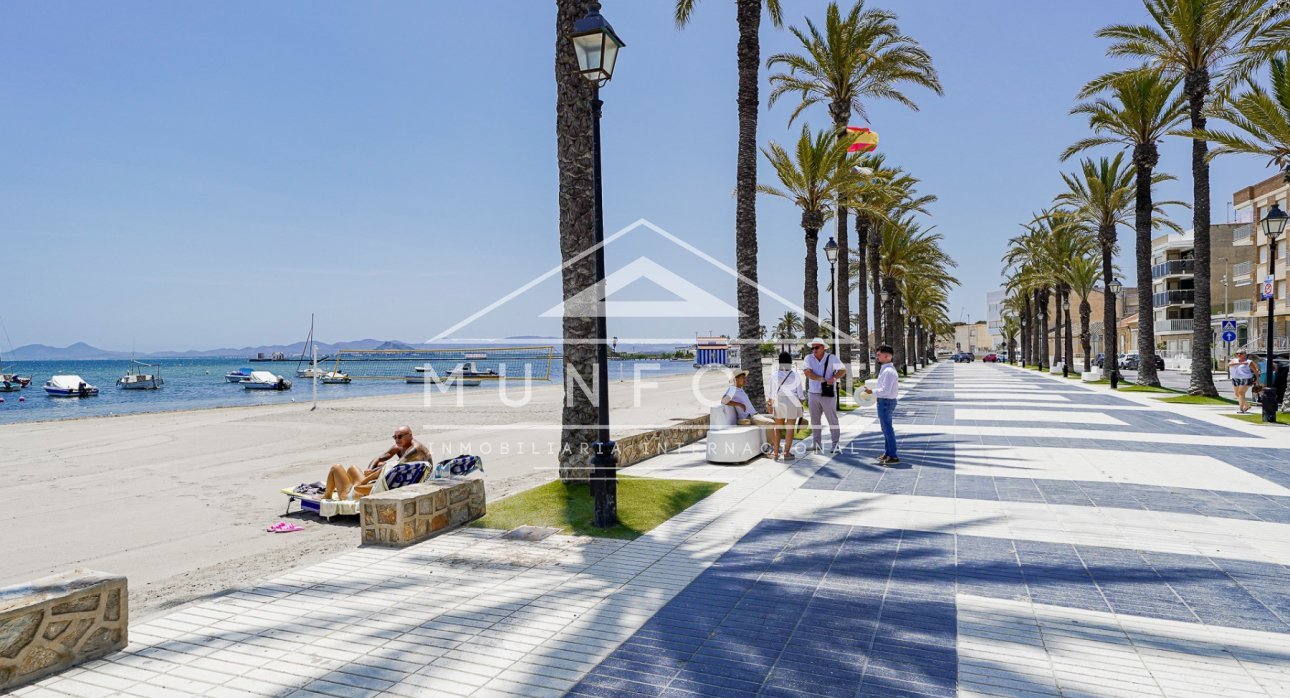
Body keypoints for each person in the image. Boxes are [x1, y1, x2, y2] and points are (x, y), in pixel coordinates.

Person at [323, 425, 433, 500]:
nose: (397, 439)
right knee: (352, 468)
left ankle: (327, 496)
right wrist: (370, 469)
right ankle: (345, 484)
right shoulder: (401, 453)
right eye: (395, 437)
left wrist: (368, 478)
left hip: (361, 491)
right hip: (381, 484)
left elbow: (394, 466)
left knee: (335, 467)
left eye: (400, 436)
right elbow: (380, 458)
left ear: (410, 435)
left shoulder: (414, 450)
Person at [804, 337, 846, 453]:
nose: (814, 350)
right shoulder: (808, 358)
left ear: (823, 348)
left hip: (828, 393)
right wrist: (819, 378)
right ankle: (816, 444)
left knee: (832, 420)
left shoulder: (832, 358)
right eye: (812, 348)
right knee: (815, 421)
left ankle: (835, 445)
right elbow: (807, 372)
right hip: (813, 393)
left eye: (816, 347)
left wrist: (834, 378)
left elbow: (843, 370)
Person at [864, 344, 900, 465]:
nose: (877, 357)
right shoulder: (885, 369)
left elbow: (886, 390)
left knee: (887, 429)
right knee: (885, 429)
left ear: (886, 356)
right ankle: (888, 453)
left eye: (879, 355)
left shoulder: (888, 371)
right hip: (884, 401)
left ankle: (893, 455)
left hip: (886, 402)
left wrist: (871, 391)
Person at [721, 369, 776, 445]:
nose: (745, 379)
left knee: (776, 419)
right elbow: (723, 401)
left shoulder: (739, 389)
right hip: (750, 416)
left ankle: (776, 445)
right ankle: (770, 448)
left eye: (745, 377)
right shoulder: (732, 389)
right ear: (736, 379)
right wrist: (739, 404)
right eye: (743, 378)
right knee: (771, 423)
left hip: (755, 414)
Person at [767, 352, 805, 460]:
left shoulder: (774, 375)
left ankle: (775, 453)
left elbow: (771, 393)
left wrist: (770, 404)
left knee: (778, 428)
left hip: (779, 401)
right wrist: (800, 405)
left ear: (779, 362)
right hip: (793, 401)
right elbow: (800, 394)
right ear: (790, 362)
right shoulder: (796, 375)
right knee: (790, 428)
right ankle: (786, 453)